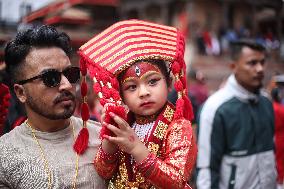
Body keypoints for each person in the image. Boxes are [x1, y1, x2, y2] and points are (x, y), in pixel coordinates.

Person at [78, 19, 197, 189]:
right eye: (132, 87)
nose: (143, 93)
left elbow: (176, 181)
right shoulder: (124, 124)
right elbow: (104, 172)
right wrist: (110, 139)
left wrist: (135, 147)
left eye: (153, 82)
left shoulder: (179, 127)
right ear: (121, 95)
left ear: (169, 83)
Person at [0, 25, 106, 188]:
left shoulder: (104, 139)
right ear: (21, 92)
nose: (67, 86)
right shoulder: (5, 154)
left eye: (70, 74)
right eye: (50, 78)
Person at [196, 39, 276, 189]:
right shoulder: (214, 108)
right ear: (233, 66)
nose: (260, 69)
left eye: (262, 62)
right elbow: (206, 169)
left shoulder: (266, 102)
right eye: (252, 63)